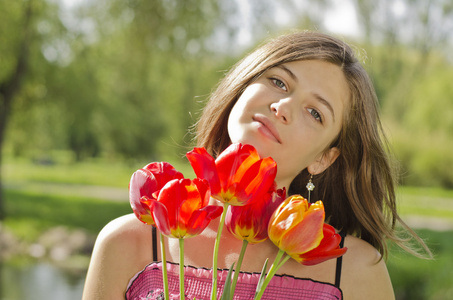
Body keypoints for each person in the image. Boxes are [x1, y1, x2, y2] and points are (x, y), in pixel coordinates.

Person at [82, 31, 429, 300]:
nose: (283, 106)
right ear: (241, 88)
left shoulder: (355, 270)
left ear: (324, 157)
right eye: (278, 81)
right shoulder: (129, 242)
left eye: (315, 112)